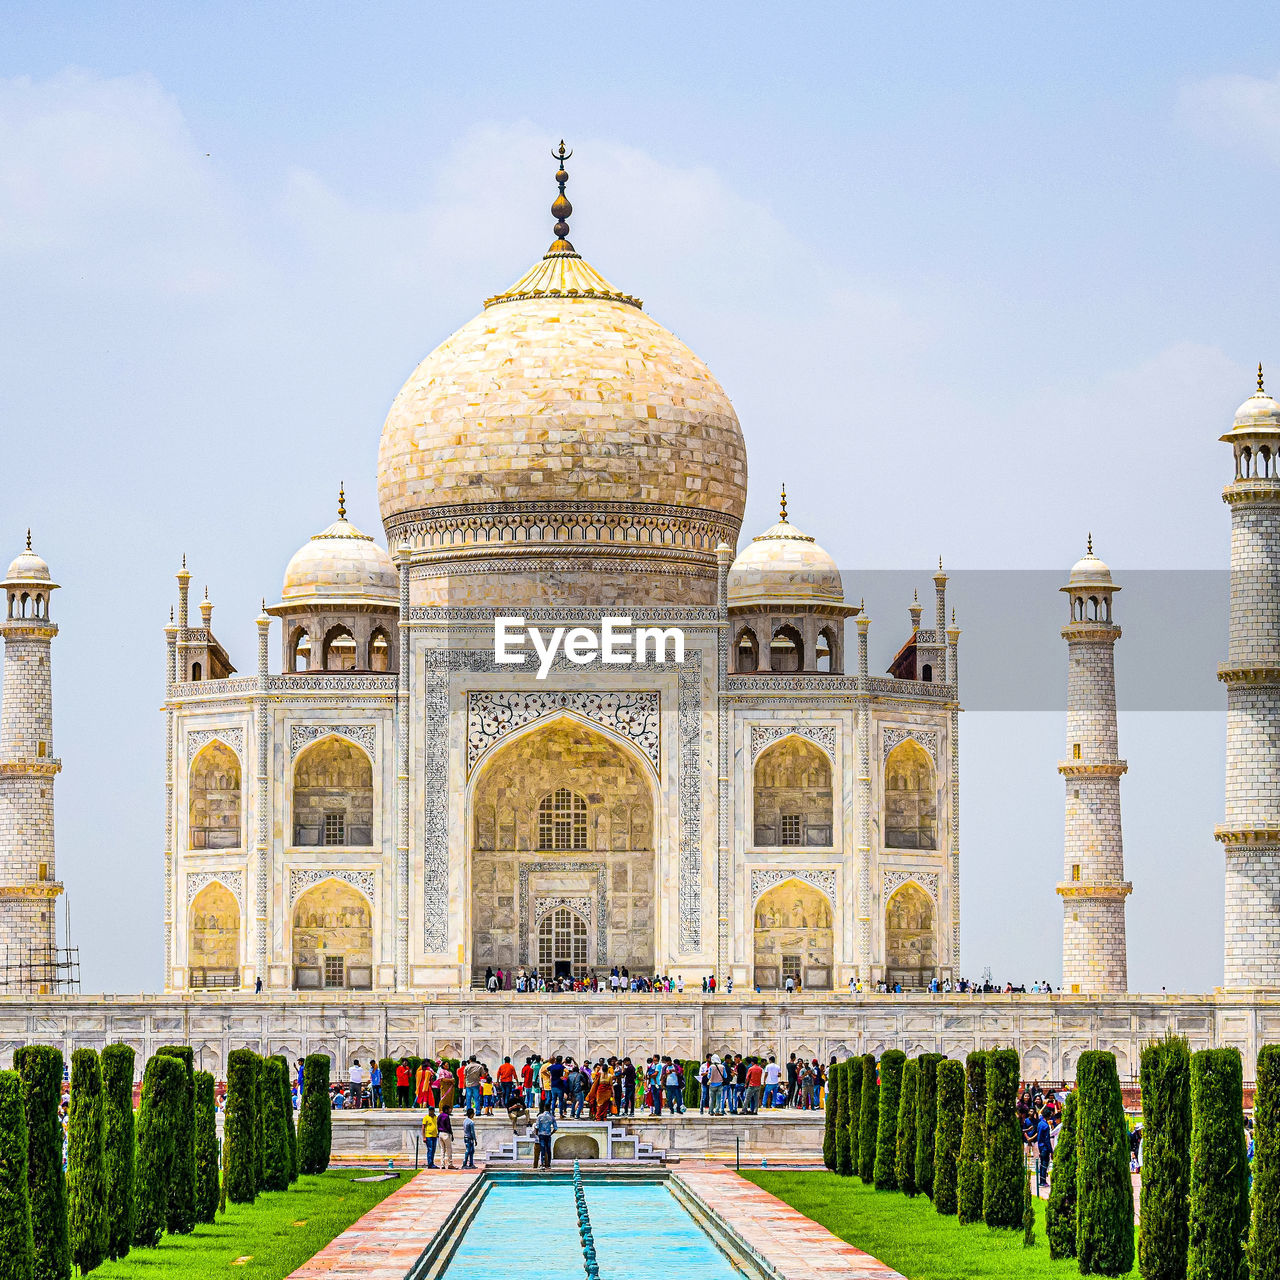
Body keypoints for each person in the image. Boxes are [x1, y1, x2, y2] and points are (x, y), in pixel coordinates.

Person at [533, 1102, 557, 1168]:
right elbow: (555, 1128)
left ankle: (542, 1164)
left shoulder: (540, 1116)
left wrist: (537, 1133)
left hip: (541, 1135)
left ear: (544, 1108)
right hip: (548, 1135)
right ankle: (548, 1164)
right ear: (550, 1109)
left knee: (543, 1149)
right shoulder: (552, 1117)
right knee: (548, 1150)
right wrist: (551, 1133)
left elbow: (537, 1127)